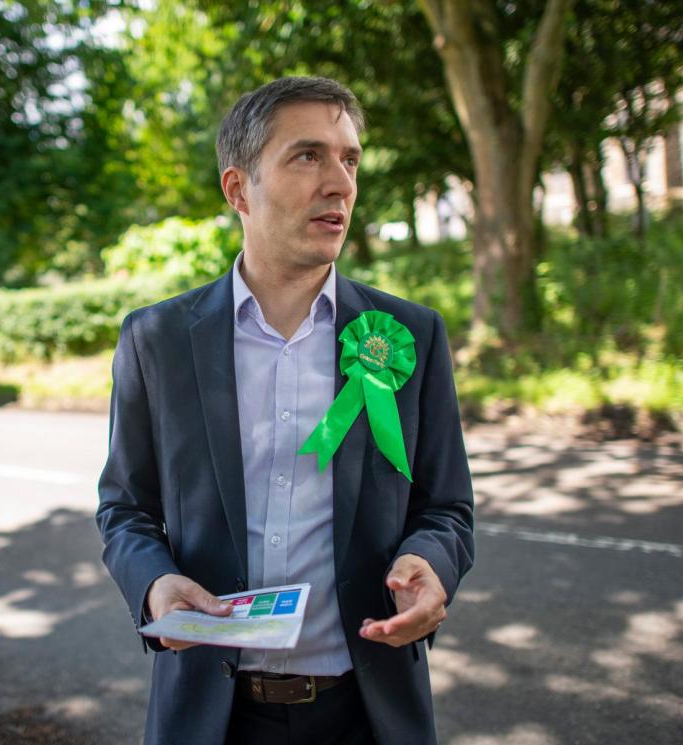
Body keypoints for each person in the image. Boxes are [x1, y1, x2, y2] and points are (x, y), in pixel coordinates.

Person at [97, 76, 474, 745]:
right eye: (308, 156)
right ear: (239, 189)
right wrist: (154, 582)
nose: (340, 183)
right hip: (211, 716)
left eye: (350, 159)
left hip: (370, 712)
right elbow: (124, 507)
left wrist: (431, 563)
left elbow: (445, 507)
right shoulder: (154, 340)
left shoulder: (409, 333)